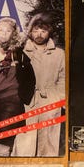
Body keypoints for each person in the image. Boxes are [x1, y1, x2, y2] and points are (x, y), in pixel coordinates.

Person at [0, 18, 35, 156]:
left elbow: (30, 77)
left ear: (13, 33)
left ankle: (2, 162)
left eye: (8, 30)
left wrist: (23, 97)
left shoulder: (19, 53)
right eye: (1, 30)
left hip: (11, 97)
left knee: (5, 136)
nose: (4, 33)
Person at [12, 13, 65, 156]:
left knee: (48, 141)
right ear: (30, 32)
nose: (39, 34)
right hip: (27, 100)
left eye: (43, 30)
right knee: (25, 140)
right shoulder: (21, 52)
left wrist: (60, 99)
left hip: (51, 99)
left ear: (49, 32)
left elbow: (63, 78)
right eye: (35, 30)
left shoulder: (59, 54)